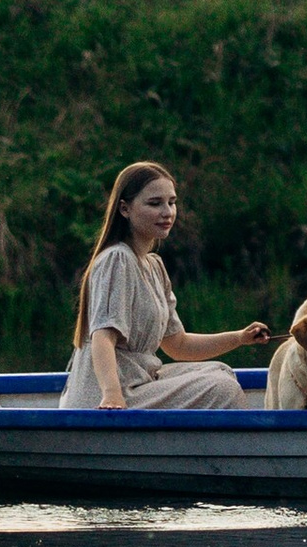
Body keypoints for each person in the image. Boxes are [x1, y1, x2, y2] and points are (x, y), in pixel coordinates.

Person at [58, 159, 271, 411]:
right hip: (111, 399)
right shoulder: (117, 259)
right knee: (222, 388)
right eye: (155, 203)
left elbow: (178, 345)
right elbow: (102, 338)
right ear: (125, 209)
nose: (167, 212)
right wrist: (112, 396)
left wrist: (239, 338)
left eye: (171, 202)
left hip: (140, 382)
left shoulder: (154, 266)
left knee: (221, 372)